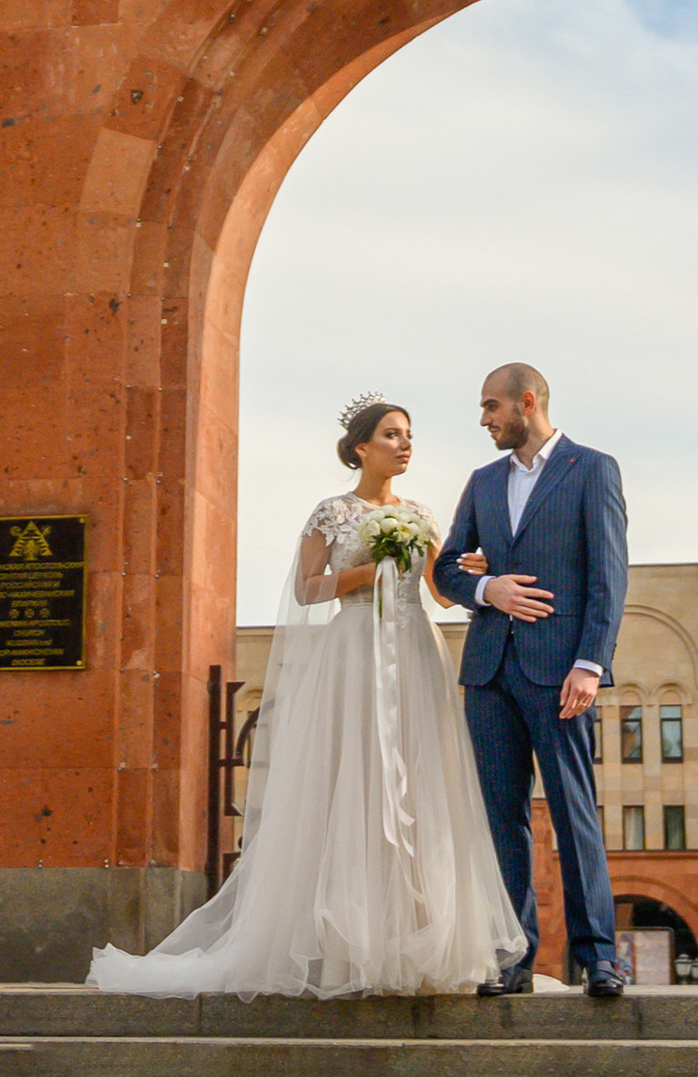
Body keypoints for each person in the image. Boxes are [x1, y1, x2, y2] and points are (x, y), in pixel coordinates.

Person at [88, 398, 526, 1001]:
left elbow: (441, 595)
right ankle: (348, 944)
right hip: (354, 653)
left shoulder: (421, 515)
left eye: (409, 436)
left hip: (415, 656)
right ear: (361, 448)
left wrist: (470, 569)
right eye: (391, 435)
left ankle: (415, 939)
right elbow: (307, 587)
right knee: (353, 784)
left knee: (421, 789)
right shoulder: (333, 512)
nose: (404, 445)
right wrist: (367, 569)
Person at [434, 361, 629, 1000]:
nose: (485, 420)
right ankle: (512, 958)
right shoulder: (484, 481)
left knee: (574, 815)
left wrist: (590, 665)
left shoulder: (591, 469)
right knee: (501, 818)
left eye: (492, 407)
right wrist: (487, 588)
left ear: (527, 401)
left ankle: (600, 959)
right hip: (489, 673)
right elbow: (447, 568)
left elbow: (608, 577)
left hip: (560, 674)